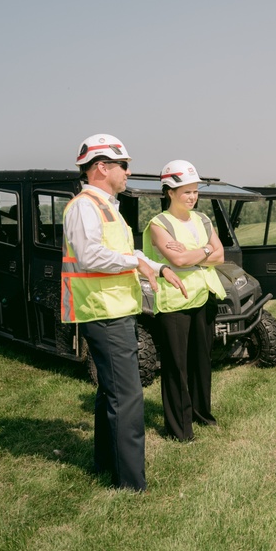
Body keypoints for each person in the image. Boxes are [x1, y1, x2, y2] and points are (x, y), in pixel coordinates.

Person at [61, 133, 187, 490]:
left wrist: (157, 267)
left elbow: (125, 250)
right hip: (103, 313)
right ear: (102, 168)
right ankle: (130, 484)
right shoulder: (85, 206)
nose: (129, 172)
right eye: (124, 165)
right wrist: (135, 262)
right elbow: (91, 257)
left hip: (115, 310)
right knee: (127, 398)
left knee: (109, 392)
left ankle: (105, 463)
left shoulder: (107, 206)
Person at [141, 159, 227, 442]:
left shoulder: (203, 219)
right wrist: (204, 250)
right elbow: (176, 259)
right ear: (170, 192)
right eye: (186, 191)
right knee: (177, 367)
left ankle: (202, 414)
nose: (192, 197)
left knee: (202, 362)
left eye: (195, 191)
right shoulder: (159, 224)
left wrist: (194, 252)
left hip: (203, 296)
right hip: (175, 302)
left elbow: (221, 254)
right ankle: (179, 430)